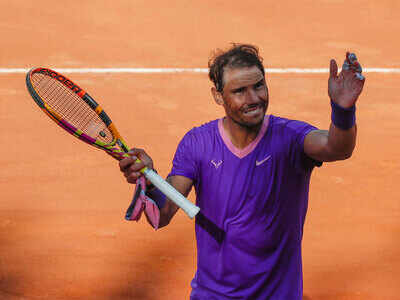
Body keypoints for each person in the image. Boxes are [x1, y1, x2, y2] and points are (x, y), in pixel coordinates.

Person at [119, 44, 365, 299]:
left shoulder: (289, 138)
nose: (253, 99)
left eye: (258, 86)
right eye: (239, 91)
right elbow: (163, 212)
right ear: (218, 96)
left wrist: (343, 111)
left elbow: (337, 148)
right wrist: (148, 179)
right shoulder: (197, 144)